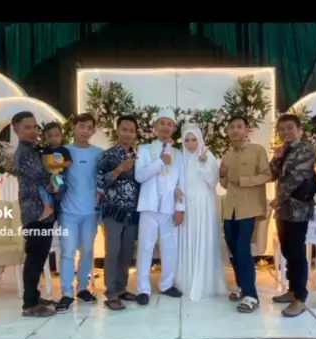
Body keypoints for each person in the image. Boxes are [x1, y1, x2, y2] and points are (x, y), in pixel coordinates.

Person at [220, 116, 271, 314]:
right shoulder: (227, 155)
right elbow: (225, 183)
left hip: (248, 208)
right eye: (231, 127)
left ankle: (252, 296)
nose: (235, 130)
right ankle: (242, 287)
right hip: (230, 209)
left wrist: (244, 180)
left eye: (239, 127)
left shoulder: (257, 150)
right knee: (234, 250)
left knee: (243, 250)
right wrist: (222, 176)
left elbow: (267, 175)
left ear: (247, 130)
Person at [135, 107, 186, 305]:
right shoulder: (144, 150)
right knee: (145, 248)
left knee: (169, 248)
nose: (165, 127)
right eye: (162, 123)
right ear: (155, 127)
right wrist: (160, 162)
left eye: (169, 124)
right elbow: (139, 176)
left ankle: (166, 284)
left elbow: (181, 183)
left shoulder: (179, 154)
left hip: (169, 208)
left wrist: (180, 208)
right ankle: (143, 289)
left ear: (174, 128)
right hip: (148, 207)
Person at [270, 114, 316, 317]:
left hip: (298, 209)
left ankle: (300, 298)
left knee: (297, 252)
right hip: (284, 210)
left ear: (299, 130)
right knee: (287, 250)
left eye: (290, 128)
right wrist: (277, 157)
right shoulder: (285, 150)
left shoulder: (306, 149)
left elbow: (296, 178)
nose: (286, 132)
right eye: (282, 129)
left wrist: (278, 198)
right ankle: (292, 290)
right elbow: (272, 174)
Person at [56, 113, 103, 313]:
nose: (85, 131)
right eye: (81, 126)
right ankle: (67, 292)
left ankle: (82, 288)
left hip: (91, 212)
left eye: (89, 127)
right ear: (74, 127)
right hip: (68, 212)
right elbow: (56, 177)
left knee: (88, 251)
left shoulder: (99, 153)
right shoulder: (64, 151)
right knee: (67, 252)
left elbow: (103, 180)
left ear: (93, 131)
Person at [12, 111, 57, 318]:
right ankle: (29, 305)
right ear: (16, 129)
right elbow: (44, 174)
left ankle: (34, 297)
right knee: (35, 258)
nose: (33, 131)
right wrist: (58, 176)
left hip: (43, 211)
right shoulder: (25, 153)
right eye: (27, 127)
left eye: (34, 127)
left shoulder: (33, 149)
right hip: (35, 212)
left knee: (39, 256)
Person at [175, 124, 227, 301]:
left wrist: (204, 164)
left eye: (194, 139)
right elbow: (175, 180)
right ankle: (185, 281)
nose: (190, 143)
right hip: (186, 205)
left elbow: (213, 182)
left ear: (200, 140)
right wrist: (176, 191)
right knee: (187, 239)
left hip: (203, 205)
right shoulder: (180, 158)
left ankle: (203, 282)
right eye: (187, 140)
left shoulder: (208, 156)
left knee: (202, 239)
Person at [96, 115, 140, 311]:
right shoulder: (108, 155)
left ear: (135, 134)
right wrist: (119, 169)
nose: (128, 134)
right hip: (113, 211)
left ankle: (122, 288)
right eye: (124, 129)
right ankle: (111, 292)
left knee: (127, 253)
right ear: (118, 131)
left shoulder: (139, 157)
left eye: (131, 131)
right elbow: (100, 182)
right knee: (113, 251)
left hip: (132, 212)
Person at [38, 121, 73, 220]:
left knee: (56, 177)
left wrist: (59, 164)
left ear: (61, 136)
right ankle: (47, 206)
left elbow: (70, 162)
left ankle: (56, 188)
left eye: (56, 136)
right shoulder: (46, 150)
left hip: (61, 176)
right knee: (40, 187)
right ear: (46, 138)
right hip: (49, 177)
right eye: (50, 136)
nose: (53, 138)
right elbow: (43, 164)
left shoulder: (64, 150)